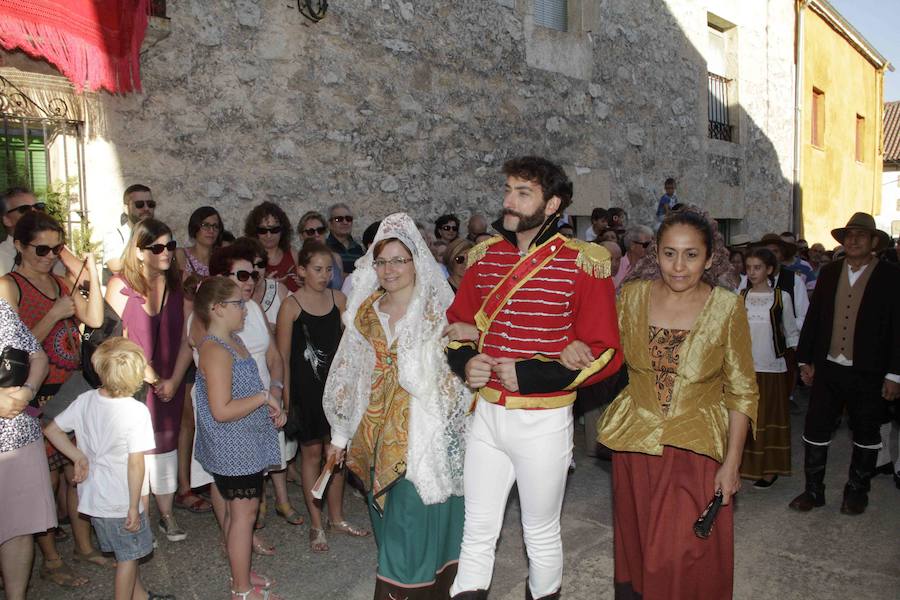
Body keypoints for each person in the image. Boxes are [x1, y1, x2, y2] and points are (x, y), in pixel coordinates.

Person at [446, 157, 622, 600]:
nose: (509, 200)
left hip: (543, 421)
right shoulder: (484, 257)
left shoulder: (584, 262)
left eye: (523, 192)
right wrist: (466, 362)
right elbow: (457, 326)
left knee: (539, 532)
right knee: (476, 528)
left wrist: (532, 373)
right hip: (487, 415)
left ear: (552, 204)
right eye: (508, 189)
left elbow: (606, 352)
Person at [582, 208, 758, 600]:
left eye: (691, 255)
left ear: (709, 259)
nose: (679, 266)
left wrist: (732, 463)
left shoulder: (727, 307)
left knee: (681, 553)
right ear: (656, 254)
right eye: (669, 253)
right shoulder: (632, 296)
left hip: (695, 449)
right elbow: (604, 354)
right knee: (640, 545)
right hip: (636, 445)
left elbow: (742, 390)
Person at [323, 213, 469, 599]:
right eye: (381, 261)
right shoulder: (365, 312)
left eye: (398, 261)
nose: (389, 270)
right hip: (373, 436)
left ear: (416, 262)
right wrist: (339, 436)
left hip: (423, 438)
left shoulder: (439, 313)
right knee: (388, 527)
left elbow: (456, 380)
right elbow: (349, 374)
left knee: (412, 528)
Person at [0, 211, 106, 584]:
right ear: (19, 245)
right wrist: (54, 314)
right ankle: (51, 560)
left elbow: (94, 320)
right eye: (41, 249)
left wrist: (91, 277)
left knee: (75, 471)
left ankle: (83, 546)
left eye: (56, 248)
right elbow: (13, 347)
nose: (49, 256)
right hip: (35, 392)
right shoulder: (9, 286)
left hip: (69, 387)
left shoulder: (61, 282)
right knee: (44, 481)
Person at [43, 337, 175, 600]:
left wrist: (77, 456)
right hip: (121, 500)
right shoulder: (136, 411)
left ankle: (140, 596)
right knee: (128, 560)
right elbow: (135, 464)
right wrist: (134, 506)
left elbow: (52, 430)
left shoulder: (85, 400)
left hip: (95, 499)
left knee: (128, 552)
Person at [790, 213, 900, 515]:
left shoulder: (891, 276)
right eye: (849, 235)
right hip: (828, 367)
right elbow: (814, 318)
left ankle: (857, 491)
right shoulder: (829, 272)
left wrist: (895, 374)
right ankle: (813, 491)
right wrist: (805, 360)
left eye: (860, 235)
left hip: (869, 370)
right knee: (816, 427)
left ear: (874, 242)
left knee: (866, 430)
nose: (853, 240)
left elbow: (897, 328)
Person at [194, 277, 285, 600]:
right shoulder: (216, 350)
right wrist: (263, 397)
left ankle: (241, 572)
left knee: (240, 515)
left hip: (245, 443)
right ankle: (241, 589)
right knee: (243, 517)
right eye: (238, 304)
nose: (245, 309)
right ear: (217, 308)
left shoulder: (232, 341)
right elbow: (221, 410)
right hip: (234, 449)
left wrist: (269, 406)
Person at [277, 240, 367, 552]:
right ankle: (316, 523)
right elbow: (282, 356)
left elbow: (352, 348)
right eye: (317, 269)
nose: (325, 275)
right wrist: (286, 398)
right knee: (312, 454)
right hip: (306, 391)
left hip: (336, 390)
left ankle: (337, 518)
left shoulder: (339, 299)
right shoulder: (291, 306)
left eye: (329, 269)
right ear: (301, 271)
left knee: (336, 455)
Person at [105, 218, 189, 542]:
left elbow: (187, 339)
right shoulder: (120, 286)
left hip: (170, 379)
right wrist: (150, 376)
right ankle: (139, 518)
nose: (166, 252)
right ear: (139, 252)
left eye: (170, 245)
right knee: (135, 450)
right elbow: (113, 342)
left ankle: (167, 515)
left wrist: (174, 379)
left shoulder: (177, 286)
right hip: (132, 385)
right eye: (157, 247)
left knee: (166, 444)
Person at [0, 299, 53, 600]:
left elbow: (38, 357)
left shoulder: (2, 310)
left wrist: (27, 391)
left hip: (19, 436)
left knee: (18, 528)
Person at [739, 248, 799, 488]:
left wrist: (801, 364)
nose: (752, 272)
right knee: (745, 418)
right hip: (745, 368)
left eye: (757, 267)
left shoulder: (781, 297)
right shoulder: (741, 296)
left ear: (769, 270)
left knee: (767, 418)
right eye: (749, 267)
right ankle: (744, 466)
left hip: (772, 367)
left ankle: (769, 469)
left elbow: (791, 332)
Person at [743, 233, 809, 326]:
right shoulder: (747, 279)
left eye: (775, 251)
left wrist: (785, 327)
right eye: (766, 252)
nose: (771, 256)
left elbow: (804, 316)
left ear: (782, 255)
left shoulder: (795, 280)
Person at [232, 237, 290, 331]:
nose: (256, 270)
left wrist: (279, 330)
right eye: (250, 264)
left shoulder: (279, 291)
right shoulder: (227, 298)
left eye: (260, 264)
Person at [244, 201, 300, 292]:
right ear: (255, 232)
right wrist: (265, 285)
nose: (269, 235)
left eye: (274, 229)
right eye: (262, 230)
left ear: (282, 230)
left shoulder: (293, 254)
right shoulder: (248, 259)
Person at [102, 184, 155, 278]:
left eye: (150, 204)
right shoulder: (115, 235)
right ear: (126, 209)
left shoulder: (161, 233)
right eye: (139, 204)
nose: (146, 208)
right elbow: (116, 268)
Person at [297, 211, 345, 289]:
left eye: (320, 230)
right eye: (311, 232)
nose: (316, 235)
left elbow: (341, 288)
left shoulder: (336, 258)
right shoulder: (297, 259)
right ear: (301, 236)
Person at [176, 206, 223, 281]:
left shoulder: (221, 261)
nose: (211, 230)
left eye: (215, 226)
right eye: (206, 225)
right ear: (195, 227)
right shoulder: (182, 255)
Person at [325, 202, 365, 275]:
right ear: (330, 224)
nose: (345, 222)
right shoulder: (324, 247)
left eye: (348, 219)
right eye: (339, 219)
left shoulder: (358, 249)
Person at [613, 225, 653, 289]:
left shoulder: (652, 266)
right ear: (632, 245)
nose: (650, 247)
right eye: (646, 244)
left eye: (651, 243)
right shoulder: (616, 265)